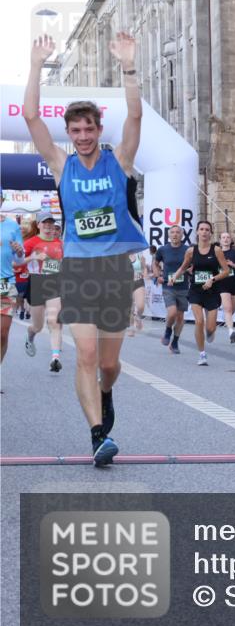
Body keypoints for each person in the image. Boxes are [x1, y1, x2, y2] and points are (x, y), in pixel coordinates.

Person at [24, 32, 147, 466]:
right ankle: (98, 436)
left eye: (88, 129)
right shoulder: (62, 165)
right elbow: (31, 117)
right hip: (77, 269)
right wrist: (37, 64)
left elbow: (134, 116)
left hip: (114, 269)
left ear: (97, 129)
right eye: (74, 130)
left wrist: (129, 67)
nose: (81, 136)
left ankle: (107, 392)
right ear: (69, 133)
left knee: (109, 366)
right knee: (87, 356)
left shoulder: (120, 161)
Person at [170, 221, 229, 366]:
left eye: (207, 230)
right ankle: (202, 354)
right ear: (197, 232)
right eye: (201, 229)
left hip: (212, 291)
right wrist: (174, 278)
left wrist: (213, 279)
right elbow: (183, 267)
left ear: (210, 233)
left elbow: (227, 271)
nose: (204, 232)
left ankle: (210, 332)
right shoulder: (191, 251)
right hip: (196, 290)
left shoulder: (216, 250)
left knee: (210, 328)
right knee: (199, 321)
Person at [23, 211, 64, 371]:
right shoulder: (30, 242)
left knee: (54, 321)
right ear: (38, 225)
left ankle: (55, 358)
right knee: (37, 326)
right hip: (37, 282)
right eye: (44, 223)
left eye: (50, 223)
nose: (48, 226)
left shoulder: (60, 243)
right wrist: (33, 258)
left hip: (54, 283)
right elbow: (15, 262)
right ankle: (30, 335)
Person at [153, 225, 190, 354]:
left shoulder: (187, 249)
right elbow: (155, 263)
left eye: (177, 232)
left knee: (180, 317)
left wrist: (191, 270)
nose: (175, 235)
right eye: (172, 232)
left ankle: (175, 342)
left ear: (182, 234)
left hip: (184, 287)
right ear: (169, 235)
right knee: (172, 312)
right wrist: (158, 276)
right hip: (168, 286)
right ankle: (168, 330)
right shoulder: (163, 249)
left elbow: (193, 265)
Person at [1, 193, 27, 365]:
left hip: (5, 283)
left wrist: (19, 251)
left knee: (3, 333)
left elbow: (19, 260)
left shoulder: (12, 226)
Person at [217, 231, 235, 343]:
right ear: (220, 240)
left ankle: (227, 319)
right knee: (228, 308)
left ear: (231, 240)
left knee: (232, 309)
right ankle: (231, 331)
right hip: (222, 283)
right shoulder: (216, 252)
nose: (226, 239)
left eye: (228, 237)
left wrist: (234, 265)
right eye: (223, 237)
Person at [126, 250, 147, 337]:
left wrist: (144, 275)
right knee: (130, 308)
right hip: (126, 284)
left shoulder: (139, 256)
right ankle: (131, 328)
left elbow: (144, 268)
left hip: (138, 282)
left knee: (141, 306)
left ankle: (138, 317)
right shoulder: (121, 256)